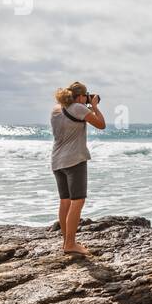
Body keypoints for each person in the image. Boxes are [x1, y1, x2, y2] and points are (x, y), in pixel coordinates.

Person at [51, 81, 105, 254]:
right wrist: (94, 106)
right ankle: (70, 244)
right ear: (81, 97)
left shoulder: (55, 109)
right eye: (85, 96)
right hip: (75, 160)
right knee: (78, 201)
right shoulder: (79, 109)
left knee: (65, 201)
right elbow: (101, 124)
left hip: (57, 161)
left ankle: (66, 241)